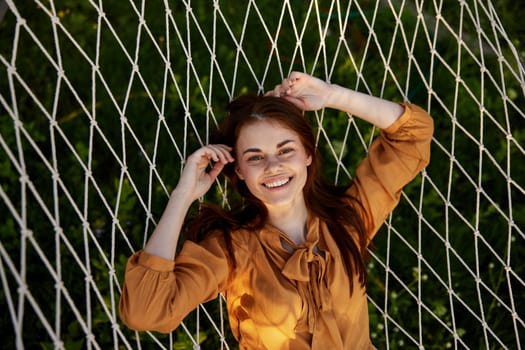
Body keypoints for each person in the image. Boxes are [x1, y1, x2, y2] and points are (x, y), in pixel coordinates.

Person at [119, 72, 434, 349]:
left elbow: (413, 135)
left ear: (308, 155)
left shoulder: (348, 219)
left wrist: (332, 95)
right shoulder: (232, 250)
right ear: (239, 170)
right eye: (255, 157)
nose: (273, 167)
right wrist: (183, 195)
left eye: (286, 150)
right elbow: (146, 312)